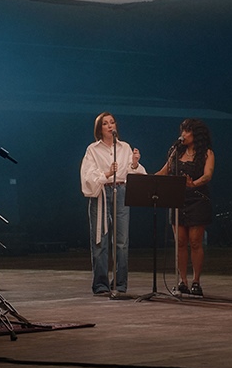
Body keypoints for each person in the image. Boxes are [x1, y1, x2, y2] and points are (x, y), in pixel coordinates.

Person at [80, 112, 146, 295]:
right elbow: (88, 175)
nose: (110, 126)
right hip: (101, 193)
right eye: (105, 123)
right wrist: (107, 174)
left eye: (112, 122)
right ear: (99, 128)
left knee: (122, 240)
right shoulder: (92, 149)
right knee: (100, 240)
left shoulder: (124, 147)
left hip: (121, 191)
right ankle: (100, 284)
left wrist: (134, 164)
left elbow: (131, 172)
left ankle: (120, 283)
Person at [156, 118, 215, 297]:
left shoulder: (206, 153)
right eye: (182, 130)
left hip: (197, 199)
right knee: (180, 242)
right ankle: (182, 281)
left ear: (196, 134)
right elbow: (164, 171)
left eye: (187, 131)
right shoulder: (176, 151)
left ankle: (196, 281)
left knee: (195, 241)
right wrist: (141, 176)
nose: (183, 134)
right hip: (177, 200)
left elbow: (208, 175)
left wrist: (193, 184)